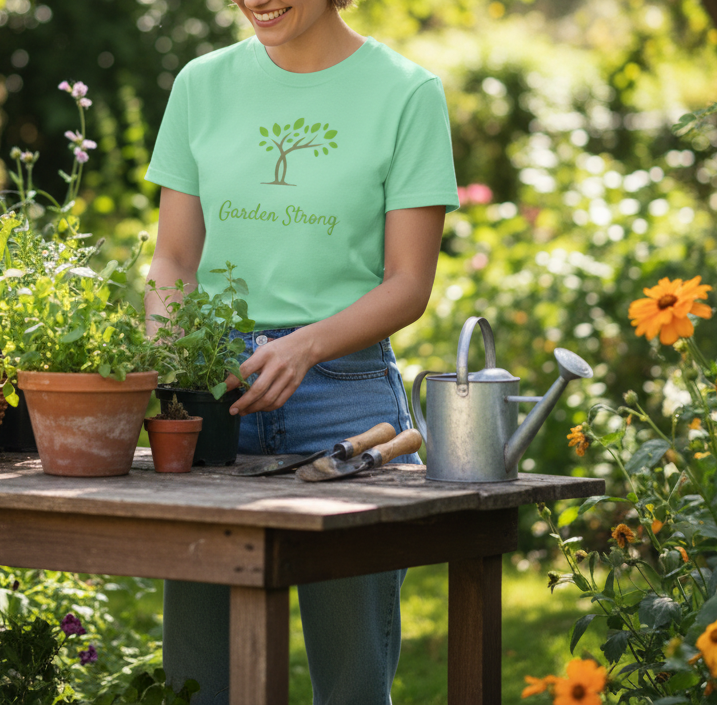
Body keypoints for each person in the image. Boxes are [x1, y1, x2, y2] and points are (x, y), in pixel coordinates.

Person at [142, 0, 460, 699]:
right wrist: (177, 364)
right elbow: (172, 259)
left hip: (345, 402)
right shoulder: (201, 83)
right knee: (198, 676)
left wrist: (303, 346)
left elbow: (408, 282)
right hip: (213, 393)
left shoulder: (405, 93)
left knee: (350, 678)